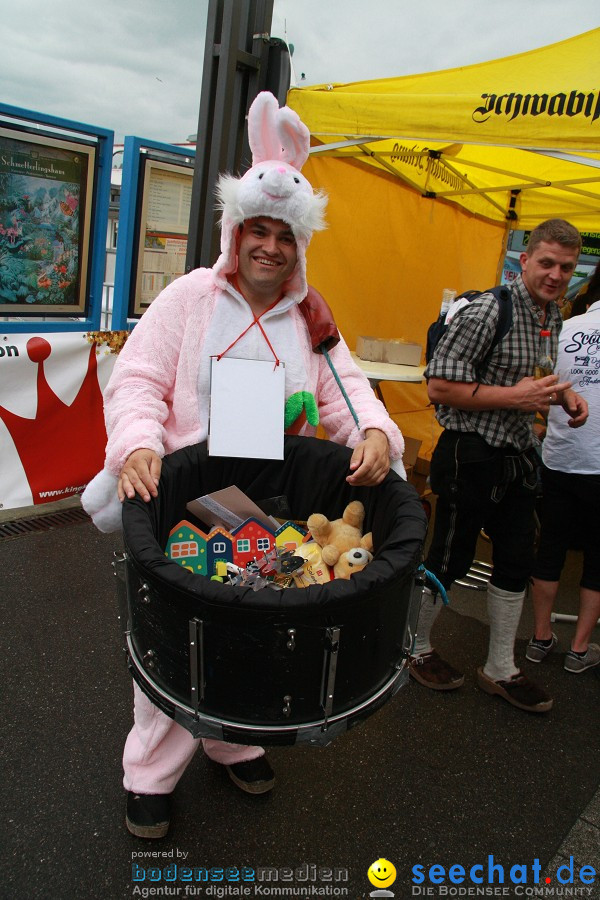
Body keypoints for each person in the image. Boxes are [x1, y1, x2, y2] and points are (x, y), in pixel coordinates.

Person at [81, 92, 407, 839]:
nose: (269, 246)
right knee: (176, 639)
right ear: (234, 232)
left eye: (283, 235)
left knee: (254, 632)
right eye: (256, 230)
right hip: (180, 499)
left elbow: (348, 392)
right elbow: (138, 379)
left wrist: (379, 433)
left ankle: (234, 737)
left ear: (300, 244)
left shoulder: (310, 315)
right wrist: (136, 441)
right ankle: (151, 775)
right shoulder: (190, 297)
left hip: (270, 506)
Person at [410, 218, 588, 713]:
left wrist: (564, 395)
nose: (555, 274)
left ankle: (499, 668)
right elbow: (439, 387)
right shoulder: (490, 310)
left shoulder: (551, 314)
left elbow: (534, 377)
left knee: (515, 560)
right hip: (470, 454)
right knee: (450, 559)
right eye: (547, 262)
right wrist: (519, 396)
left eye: (566, 267)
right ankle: (415, 647)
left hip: (516, 457)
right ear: (525, 260)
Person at [527, 291, 600, 673]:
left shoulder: (563, 331)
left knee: (551, 547)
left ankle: (540, 638)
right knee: (597, 558)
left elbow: (536, 394)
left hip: (561, 460)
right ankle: (580, 649)